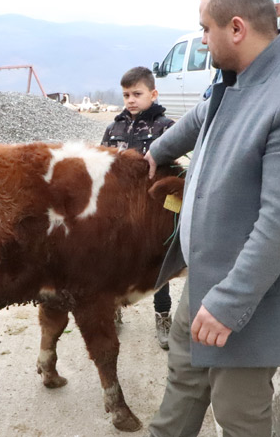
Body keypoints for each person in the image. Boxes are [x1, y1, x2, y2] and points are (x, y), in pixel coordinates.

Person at [143, 0, 280, 435]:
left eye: (205, 29)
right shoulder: (236, 78)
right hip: (204, 282)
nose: (201, 40)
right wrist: (153, 153)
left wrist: (228, 304)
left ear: (237, 28)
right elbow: (200, 119)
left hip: (247, 303)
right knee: (181, 386)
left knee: (239, 417)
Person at [101, 66, 176, 350]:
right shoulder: (114, 127)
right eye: (126, 95)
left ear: (153, 94)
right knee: (116, 260)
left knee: (157, 263)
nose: (131, 100)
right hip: (119, 208)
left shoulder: (166, 128)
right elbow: (103, 164)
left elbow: (174, 168)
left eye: (137, 94)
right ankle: (115, 307)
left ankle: (163, 315)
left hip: (152, 209)